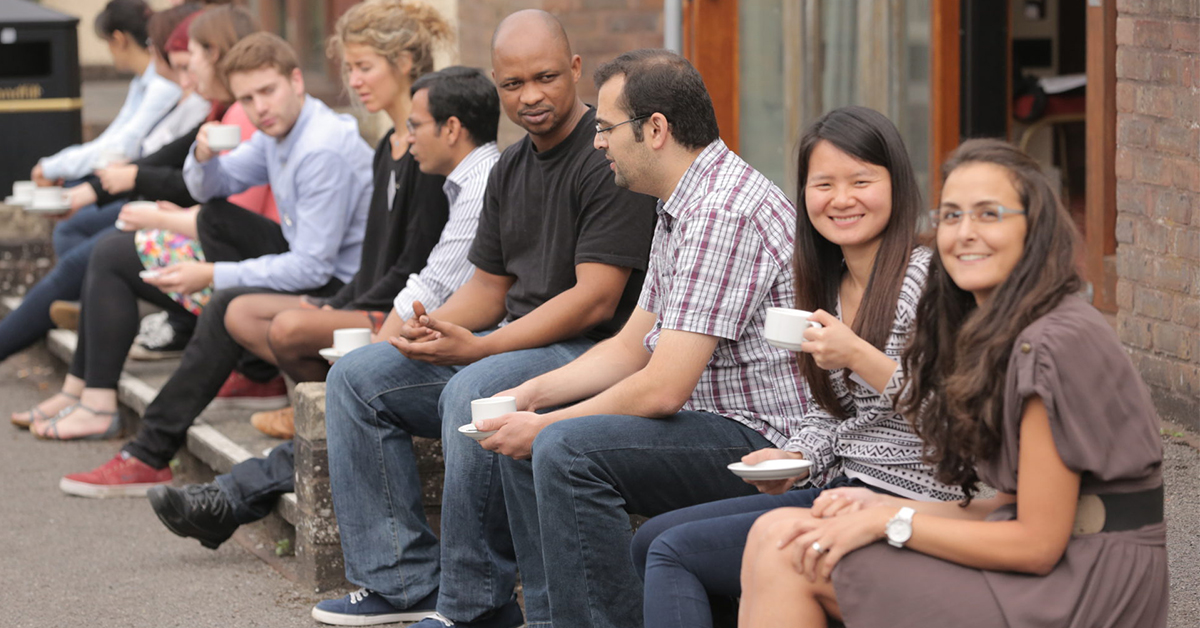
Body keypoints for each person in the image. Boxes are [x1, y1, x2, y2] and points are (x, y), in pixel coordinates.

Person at [309, 10, 657, 627]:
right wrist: (437, 328)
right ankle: (401, 581)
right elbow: (489, 286)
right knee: (359, 378)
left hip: (590, 355)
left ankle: (475, 608)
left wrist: (480, 349)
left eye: (546, 78)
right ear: (497, 84)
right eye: (513, 84)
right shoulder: (509, 168)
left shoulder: (607, 157)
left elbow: (596, 299)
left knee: (477, 390)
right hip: (514, 345)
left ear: (575, 69)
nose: (530, 97)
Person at [738, 139, 1168, 628]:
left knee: (787, 551)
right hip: (1061, 560)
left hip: (1086, 584)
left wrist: (888, 521)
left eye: (989, 215)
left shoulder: (1051, 345)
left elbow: (1036, 545)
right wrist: (881, 504)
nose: (965, 233)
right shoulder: (1007, 330)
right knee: (776, 530)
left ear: (1036, 228)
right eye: (952, 216)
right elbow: (1009, 506)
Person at [144, 4, 499, 549]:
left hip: (414, 313)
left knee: (299, 339)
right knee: (236, 305)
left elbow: (421, 275)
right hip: (395, 301)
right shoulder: (398, 145)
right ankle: (212, 464)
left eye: (364, 66)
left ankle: (211, 476)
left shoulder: (440, 162)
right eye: (348, 68)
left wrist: (347, 314)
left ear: (405, 63)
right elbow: (389, 264)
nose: (353, 82)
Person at [479, 49, 803, 628]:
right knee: (520, 430)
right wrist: (531, 397)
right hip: (713, 422)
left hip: (762, 443)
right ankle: (553, 618)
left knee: (564, 449)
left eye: (604, 128)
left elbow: (662, 389)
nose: (597, 142)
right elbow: (633, 346)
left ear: (655, 129)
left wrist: (549, 425)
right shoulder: (681, 203)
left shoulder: (722, 212)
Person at [627, 106, 961, 628]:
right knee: (651, 540)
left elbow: (953, 420)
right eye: (823, 183)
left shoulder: (927, 283)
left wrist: (860, 357)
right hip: (844, 483)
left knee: (674, 552)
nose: (842, 199)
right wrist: (796, 457)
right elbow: (834, 413)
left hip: (915, 501)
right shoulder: (827, 285)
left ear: (898, 185)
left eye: (861, 181)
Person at [56, 32, 373, 495]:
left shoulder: (319, 148)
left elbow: (312, 269)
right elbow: (210, 189)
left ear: (297, 81)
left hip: (343, 287)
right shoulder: (278, 131)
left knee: (225, 303)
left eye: (269, 91)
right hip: (309, 262)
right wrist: (202, 156)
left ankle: (149, 453)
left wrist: (211, 275)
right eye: (248, 98)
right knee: (208, 220)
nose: (260, 107)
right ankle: (223, 380)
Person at [12, 5, 272, 431]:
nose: (181, 79)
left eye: (189, 63)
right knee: (104, 251)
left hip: (242, 264)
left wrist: (172, 218)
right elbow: (182, 179)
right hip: (225, 245)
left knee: (108, 255)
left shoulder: (241, 114)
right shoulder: (224, 112)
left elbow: (242, 217)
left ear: (219, 55)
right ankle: (83, 387)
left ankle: (92, 397)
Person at [32, 0, 181, 185]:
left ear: (119, 39)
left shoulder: (163, 84)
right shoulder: (142, 81)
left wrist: (53, 167)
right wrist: (55, 166)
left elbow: (123, 146)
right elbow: (113, 137)